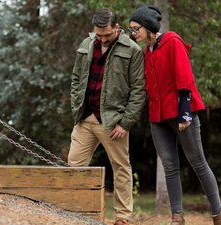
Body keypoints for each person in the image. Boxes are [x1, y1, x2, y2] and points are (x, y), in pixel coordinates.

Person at [129, 5, 221, 225]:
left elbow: (185, 79)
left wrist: (185, 115)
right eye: (132, 29)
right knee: (170, 167)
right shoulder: (147, 51)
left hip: (181, 114)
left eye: (136, 28)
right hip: (158, 118)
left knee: (198, 163)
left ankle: (219, 215)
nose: (134, 33)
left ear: (148, 27)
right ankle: (177, 217)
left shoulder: (172, 41)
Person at [68, 8, 146, 225]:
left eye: (107, 35)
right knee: (74, 167)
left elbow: (139, 90)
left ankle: (122, 218)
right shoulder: (86, 44)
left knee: (121, 167)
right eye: (99, 34)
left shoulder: (133, 50)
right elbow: (76, 78)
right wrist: (76, 104)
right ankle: (76, 213)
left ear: (117, 28)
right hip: (85, 118)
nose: (102, 39)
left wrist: (126, 122)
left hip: (113, 122)